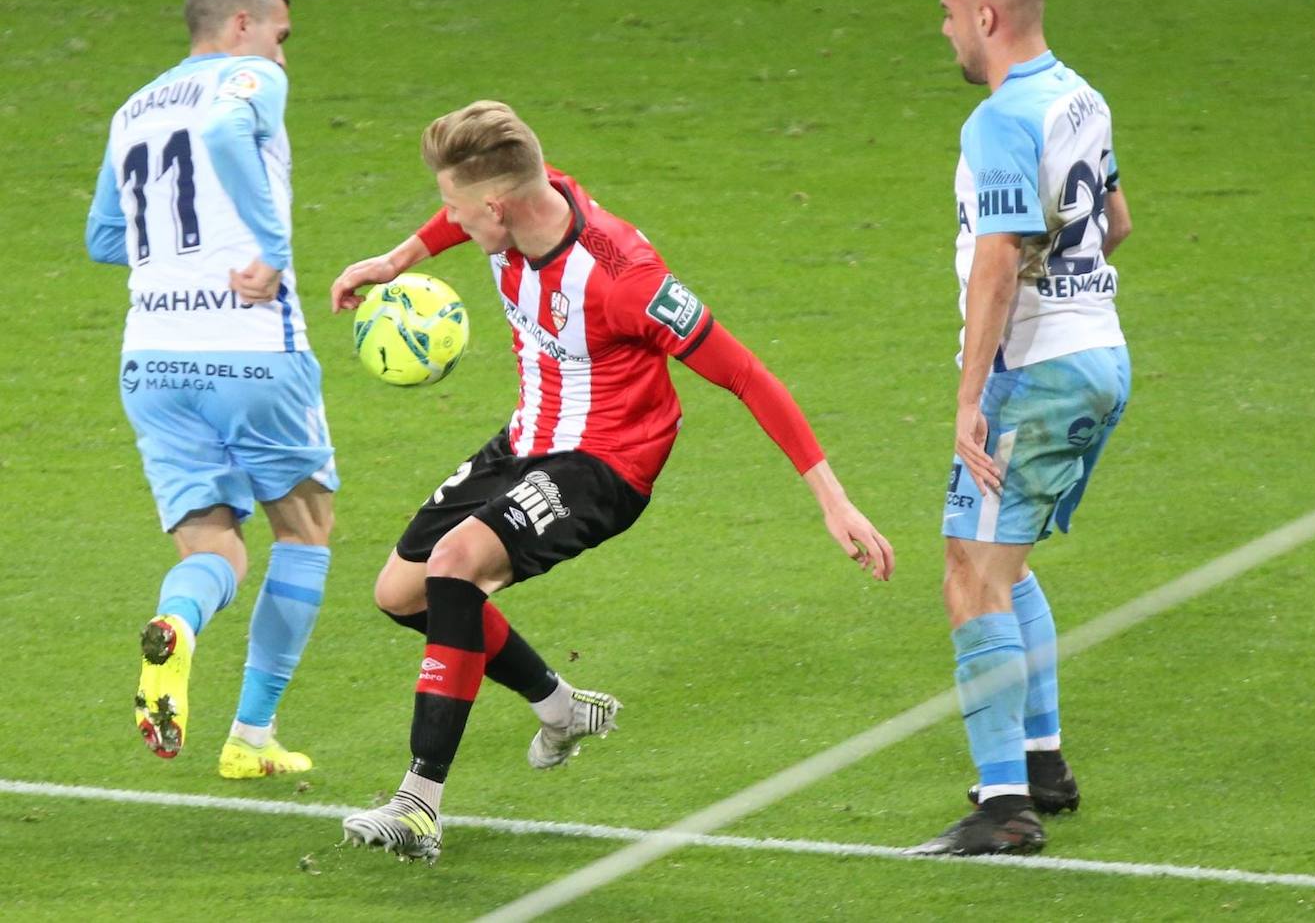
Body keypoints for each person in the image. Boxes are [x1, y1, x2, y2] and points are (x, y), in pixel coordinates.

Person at [330, 100, 893, 863]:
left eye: (459, 212)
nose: (451, 224)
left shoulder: (626, 277)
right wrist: (392, 262)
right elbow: (454, 214)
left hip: (607, 464)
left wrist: (835, 500)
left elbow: (747, 375)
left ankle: (419, 802)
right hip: (529, 436)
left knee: (457, 564)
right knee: (403, 594)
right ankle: (563, 710)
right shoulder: (530, 191)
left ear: (497, 205)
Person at [85, 0, 338, 779]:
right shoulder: (248, 80)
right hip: (252, 350)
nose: (283, 56)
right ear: (243, 24)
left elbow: (103, 238)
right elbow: (228, 134)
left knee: (215, 548)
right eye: (281, 35)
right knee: (304, 529)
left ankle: (179, 628)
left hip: (151, 359)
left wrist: (176, 257)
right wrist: (267, 249)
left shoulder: (131, 109)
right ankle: (250, 738)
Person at [910, 0, 1132, 857]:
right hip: (1099, 357)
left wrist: (972, 395)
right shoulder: (1081, 96)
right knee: (1010, 562)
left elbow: (999, 258)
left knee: (970, 574)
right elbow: (1115, 223)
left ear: (987, 14)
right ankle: (1041, 762)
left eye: (951, 16)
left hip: (1032, 374)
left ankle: (1004, 810)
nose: (951, 34)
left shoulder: (999, 119)